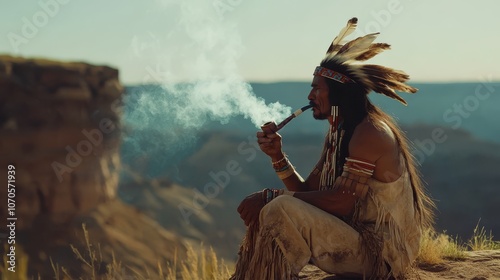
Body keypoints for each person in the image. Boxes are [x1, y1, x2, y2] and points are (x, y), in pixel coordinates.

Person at [230, 18, 435, 280]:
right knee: (277, 205)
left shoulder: (369, 133)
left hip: (385, 255)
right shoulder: (340, 133)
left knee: (277, 207)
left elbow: (340, 202)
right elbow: (306, 193)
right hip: (357, 239)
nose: (309, 96)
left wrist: (271, 196)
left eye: (317, 88)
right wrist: (277, 157)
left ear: (338, 94)